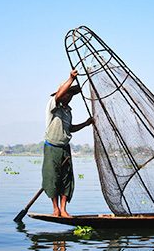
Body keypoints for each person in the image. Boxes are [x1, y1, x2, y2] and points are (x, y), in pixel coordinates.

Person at [42, 69, 93, 217]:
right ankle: (55, 209)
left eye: (71, 94)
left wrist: (86, 123)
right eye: (67, 93)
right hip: (52, 148)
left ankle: (63, 209)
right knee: (52, 177)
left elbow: (70, 128)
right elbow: (58, 95)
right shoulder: (53, 105)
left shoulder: (68, 111)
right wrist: (70, 79)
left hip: (65, 148)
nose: (68, 96)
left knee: (66, 179)